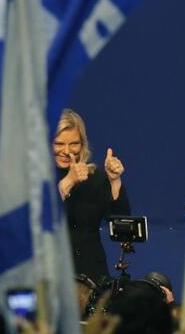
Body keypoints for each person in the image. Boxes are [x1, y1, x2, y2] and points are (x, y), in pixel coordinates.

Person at [53, 109, 131, 281]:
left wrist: (114, 181)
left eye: (74, 144)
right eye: (59, 144)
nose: (66, 151)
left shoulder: (95, 177)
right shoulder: (36, 179)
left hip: (92, 276)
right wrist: (68, 181)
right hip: (52, 274)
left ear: (82, 144)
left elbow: (122, 225)